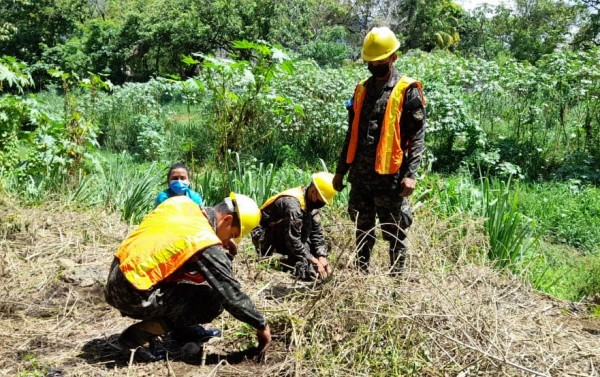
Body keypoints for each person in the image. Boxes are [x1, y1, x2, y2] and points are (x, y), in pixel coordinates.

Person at [105, 192, 271, 362]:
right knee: (212, 301)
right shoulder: (203, 239)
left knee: (189, 291)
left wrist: (221, 246)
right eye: (233, 234)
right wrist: (260, 324)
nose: (230, 239)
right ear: (227, 220)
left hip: (116, 277)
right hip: (133, 294)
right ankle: (140, 335)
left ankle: (181, 330)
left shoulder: (183, 204)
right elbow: (230, 294)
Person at [332, 26, 426, 275]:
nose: (374, 65)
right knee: (362, 229)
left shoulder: (407, 90)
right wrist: (340, 171)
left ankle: (395, 282)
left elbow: (417, 136)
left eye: (379, 60)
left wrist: (411, 174)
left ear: (393, 57)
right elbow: (351, 134)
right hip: (361, 178)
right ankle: (361, 275)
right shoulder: (361, 89)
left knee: (394, 231)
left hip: (391, 179)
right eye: (369, 62)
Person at [251, 172, 338, 281]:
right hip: (264, 236)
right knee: (307, 261)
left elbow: (316, 232)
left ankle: (296, 261)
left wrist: (321, 255)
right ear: (313, 191)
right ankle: (288, 261)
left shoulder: (310, 202)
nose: (322, 203)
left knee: (310, 243)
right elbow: (293, 239)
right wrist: (313, 260)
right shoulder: (293, 205)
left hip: (285, 234)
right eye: (322, 200)